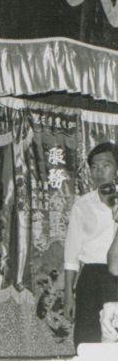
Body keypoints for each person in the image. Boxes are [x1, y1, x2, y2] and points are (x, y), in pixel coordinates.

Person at [65, 143, 118, 346]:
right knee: (87, 340)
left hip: (117, 276)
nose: (99, 172)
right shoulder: (82, 205)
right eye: (94, 167)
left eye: (106, 165)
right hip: (91, 278)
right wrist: (68, 295)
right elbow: (71, 255)